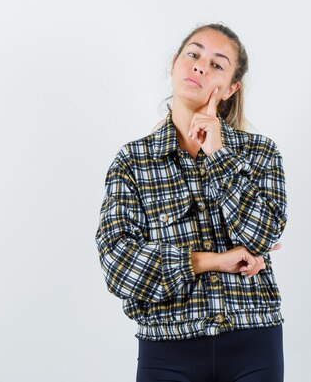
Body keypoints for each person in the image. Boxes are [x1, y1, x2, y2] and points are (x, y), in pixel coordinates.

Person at [95, 22, 288, 382]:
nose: (200, 66)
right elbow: (118, 265)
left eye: (217, 64)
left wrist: (216, 152)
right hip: (167, 346)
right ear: (175, 63)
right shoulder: (133, 162)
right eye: (194, 54)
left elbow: (262, 235)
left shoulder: (260, 152)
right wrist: (213, 261)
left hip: (253, 339)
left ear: (231, 88)